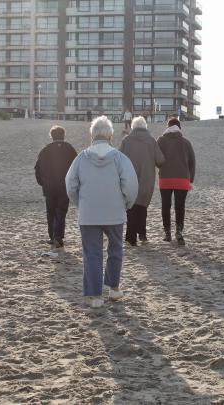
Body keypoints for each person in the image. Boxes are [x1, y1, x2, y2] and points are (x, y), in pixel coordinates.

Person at [66, 116, 138, 308]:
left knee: (92, 253)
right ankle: (113, 289)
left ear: (92, 134)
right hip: (114, 213)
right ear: (110, 135)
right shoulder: (119, 158)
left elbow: (70, 185)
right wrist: (126, 204)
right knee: (115, 249)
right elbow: (131, 185)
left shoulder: (81, 158)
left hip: (89, 214)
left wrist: (79, 203)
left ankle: (95, 296)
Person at [119, 116, 165, 246]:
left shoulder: (126, 140)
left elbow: (118, 158)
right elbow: (160, 160)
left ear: (133, 126)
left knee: (131, 207)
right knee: (142, 206)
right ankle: (142, 234)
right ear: (145, 126)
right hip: (147, 179)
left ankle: (130, 238)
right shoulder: (151, 141)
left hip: (129, 179)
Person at [35, 125, 77, 248]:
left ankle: (53, 237)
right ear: (63, 136)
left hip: (49, 187)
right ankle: (58, 236)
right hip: (64, 187)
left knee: (51, 212)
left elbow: (38, 168)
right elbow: (76, 168)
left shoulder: (45, 150)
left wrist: (41, 182)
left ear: (51, 136)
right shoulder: (69, 149)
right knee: (61, 211)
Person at [157, 117, 195, 246]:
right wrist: (191, 179)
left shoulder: (161, 140)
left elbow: (157, 160)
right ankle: (179, 232)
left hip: (165, 178)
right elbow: (192, 162)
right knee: (180, 207)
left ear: (168, 127)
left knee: (165, 206)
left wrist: (162, 166)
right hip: (182, 179)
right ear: (179, 128)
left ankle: (167, 233)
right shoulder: (186, 142)